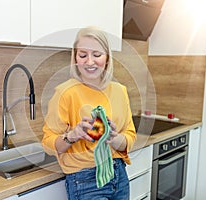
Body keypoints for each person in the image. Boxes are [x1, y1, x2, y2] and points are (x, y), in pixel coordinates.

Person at [42, 27, 136, 200]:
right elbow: (48, 142)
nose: (89, 62)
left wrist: (113, 138)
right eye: (83, 55)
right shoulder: (65, 93)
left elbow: (130, 136)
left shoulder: (120, 91)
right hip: (85, 180)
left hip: (119, 175)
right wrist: (72, 135)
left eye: (97, 55)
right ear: (75, 57)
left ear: (107, 57)